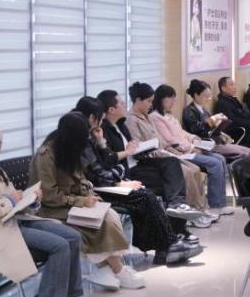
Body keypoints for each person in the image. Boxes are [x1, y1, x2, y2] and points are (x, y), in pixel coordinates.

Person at [0, 126, 83, 297]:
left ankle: (63, 294)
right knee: (59, 246)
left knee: (73, 236)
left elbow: (13, 200)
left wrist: (30, 201)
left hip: (13, 221)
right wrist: (9, 201)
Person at [74, 97, 200, 265]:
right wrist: (119, 180)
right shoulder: (82, 139)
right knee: (146, 196)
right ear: (92, 117)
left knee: (168, 180)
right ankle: (167, 245)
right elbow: (100, 171)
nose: (101, 122)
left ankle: (172, 237)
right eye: (100, 118)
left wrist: (102, 145)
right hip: (98, 189)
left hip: (110, 180)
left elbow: (104, 165)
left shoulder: (99, 132)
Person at [30, 113, 145, 291]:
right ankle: (118, 269)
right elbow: (50, 196)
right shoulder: (46, 155)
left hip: (70, 204)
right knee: (98, 223)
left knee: (110, 214)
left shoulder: (67, 148)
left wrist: (90, 195)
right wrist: (81, 201)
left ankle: (107, 269)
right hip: (51, 210)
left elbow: (81, 179)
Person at [96, 89, 202, 223]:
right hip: (128, 170)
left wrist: (137, 146)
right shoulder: (103, 130)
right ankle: (178, 216)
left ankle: (177, 205)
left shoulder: (120, 124)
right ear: (111, 110)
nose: (125, 105)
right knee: (171, 182)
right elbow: (108, 159)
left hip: (139, 161)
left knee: (172, 162)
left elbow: (132, 147)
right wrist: (127, 151)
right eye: (121, 103)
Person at [123, 82, 212, 227]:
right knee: (186, 173)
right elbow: (138, 146)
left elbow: (161, 140)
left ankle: (202, 209)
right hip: (150, 159)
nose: (151, 104)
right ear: (138, 100)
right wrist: (164, 151)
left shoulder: (147, 116)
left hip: (163, 153)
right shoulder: (131, 120)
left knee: (194, 169)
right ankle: (192, 213)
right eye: (148, 101)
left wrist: (172, 151)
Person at [151, 84, 235, 217]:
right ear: (160, 99)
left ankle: (220, 201)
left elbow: (181, 132)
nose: (173, 101)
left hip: (190, 148)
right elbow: (170, 141)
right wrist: (191, 148)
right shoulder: (155, 117)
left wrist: (193, 138)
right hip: (182, 153)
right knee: (215, 163)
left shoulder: (169, 115)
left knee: (220, 159)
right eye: (170, 98)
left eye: (174, 98)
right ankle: (216, 205)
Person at [181, 79, 250, 184]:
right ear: (196, 95)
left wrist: (218, 123)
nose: (208, 99)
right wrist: (211, 121)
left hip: (215, 140)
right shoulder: (189, 111)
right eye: (206, 96)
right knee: (245, 155)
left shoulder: (203, 109)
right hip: (206, 144)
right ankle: (249, 184)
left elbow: (210, 127)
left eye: (209, 96)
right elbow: (196, 130)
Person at [215, 76, 250, 148]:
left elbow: (242, 112)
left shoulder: (232, 99)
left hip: (248, 129)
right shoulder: (222, 104)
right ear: (223, 88)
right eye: (231, 85)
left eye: (234, 84)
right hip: (239, 134)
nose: (235, 87)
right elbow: (233, 122)